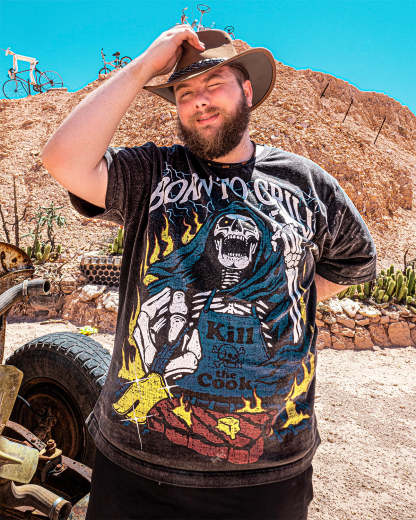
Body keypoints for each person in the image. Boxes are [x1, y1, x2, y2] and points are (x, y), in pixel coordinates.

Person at [42, 26, 376, 520]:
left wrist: (284, 297)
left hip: (268, 475)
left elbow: (354, 261)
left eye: (214, 83)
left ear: (247, 91)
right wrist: (144, 66)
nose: (198, 100)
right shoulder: (151, 173)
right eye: (184, 92)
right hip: (137, 467)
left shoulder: (306, 184)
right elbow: (63, 159)